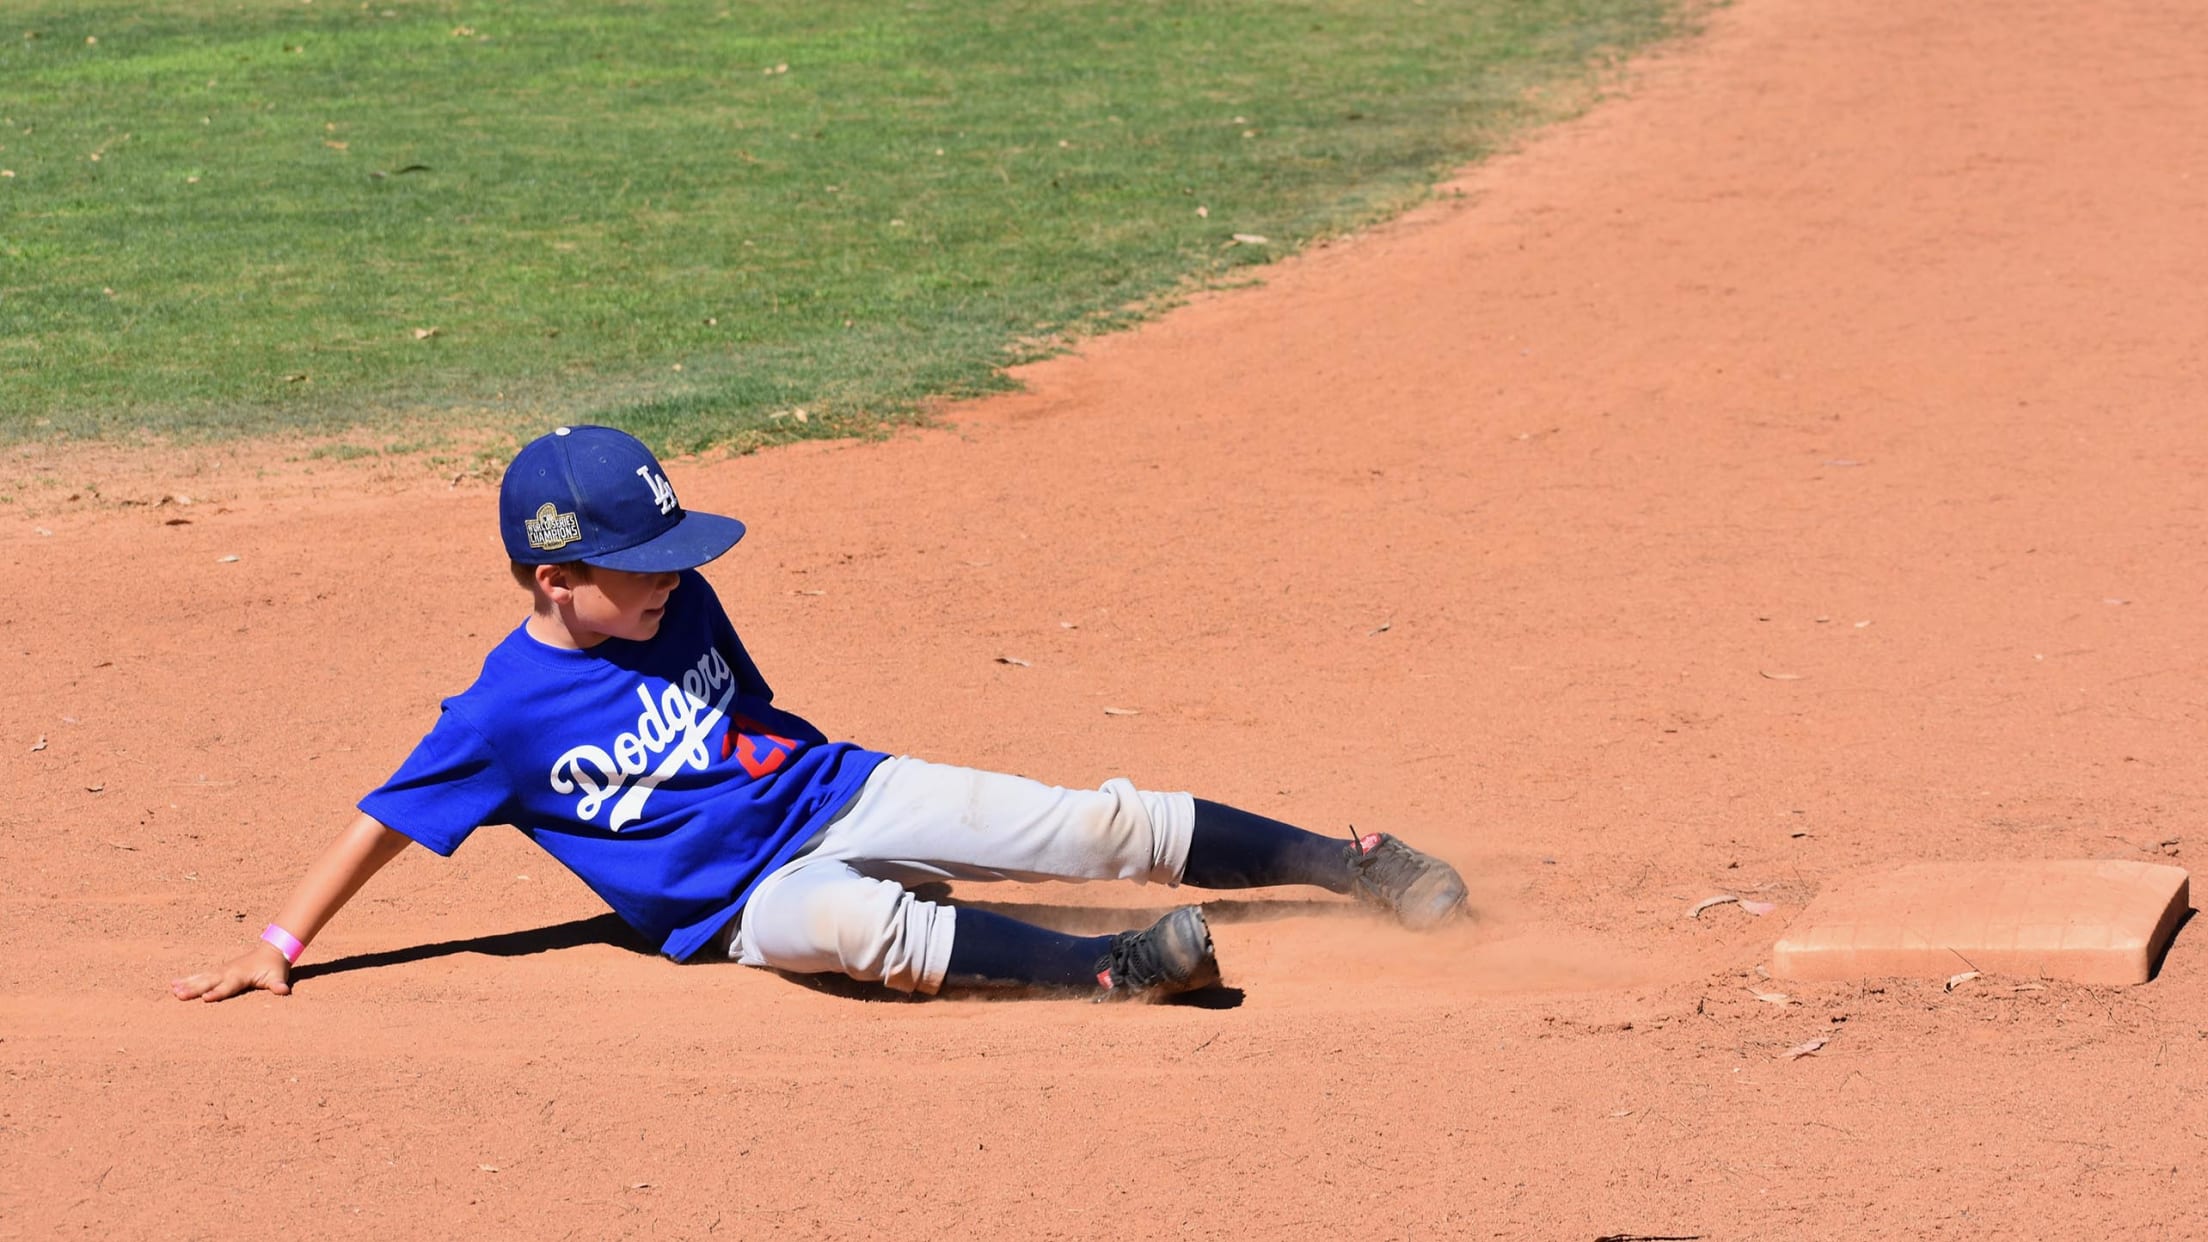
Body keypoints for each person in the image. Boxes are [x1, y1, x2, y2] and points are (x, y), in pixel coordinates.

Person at [171, 426, 1468, 1004]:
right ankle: (1118, 971)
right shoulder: (497, 717)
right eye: (646, 559)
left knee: (1092, 825)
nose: (675, 573)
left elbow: (751, 720)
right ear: (558, 578)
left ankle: (1346, 862)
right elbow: (382, 819)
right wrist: (279, 942)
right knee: (860, 927)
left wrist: (832, 792)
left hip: (844, 787)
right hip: (743, 908)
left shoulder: (677, 603)